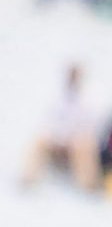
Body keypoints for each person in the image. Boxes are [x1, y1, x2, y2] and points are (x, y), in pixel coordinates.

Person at [21, 63, 101, 192]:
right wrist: (59, 141)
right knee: (39, 140)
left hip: (75, 147)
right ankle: (28, 177)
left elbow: (89, 128)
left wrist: (70, 142)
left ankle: (88, 184)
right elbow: (47, 123)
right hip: (56, 143)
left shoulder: (88, 102)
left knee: (84, 143)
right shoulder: (55, 99)